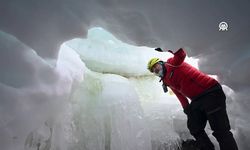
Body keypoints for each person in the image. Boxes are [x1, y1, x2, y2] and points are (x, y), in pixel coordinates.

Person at [147, 48, 238, 150]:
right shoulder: (166, 80)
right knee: (194, 127)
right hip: (197, 99)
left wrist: (167, 47)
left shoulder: (172, 64)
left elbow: (181, 55)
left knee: (220, 130)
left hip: (210, 92)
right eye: (153, 70)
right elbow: (179, 94)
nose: (156, 70)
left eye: (156, 66)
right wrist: (187, 109)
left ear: (161, 63)